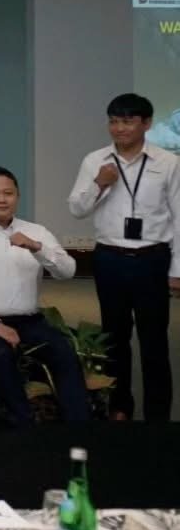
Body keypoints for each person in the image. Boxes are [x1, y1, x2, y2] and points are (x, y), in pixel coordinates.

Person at [67, 93, 180, 422]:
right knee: (114, 337)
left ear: (146, 123)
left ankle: (158, 416)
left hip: (152, 258)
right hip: (110, 258)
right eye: (114, 121)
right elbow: (76, 209)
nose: (119, 128)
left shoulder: (167, 162)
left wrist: (177, 269)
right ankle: (119, 408)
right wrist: (99, 184)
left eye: (128, 121)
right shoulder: (95, 160)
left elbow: (178, 216)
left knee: (154, 339)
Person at [0, 166, 87, 426]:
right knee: (1, 356)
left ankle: (78, 429)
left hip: (31, 320)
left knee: (63, 351)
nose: (1, 199)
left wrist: (37, 248)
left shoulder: (36, 232)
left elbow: (67, 271)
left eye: (8, 193)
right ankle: (22, 429)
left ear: (17, 196)